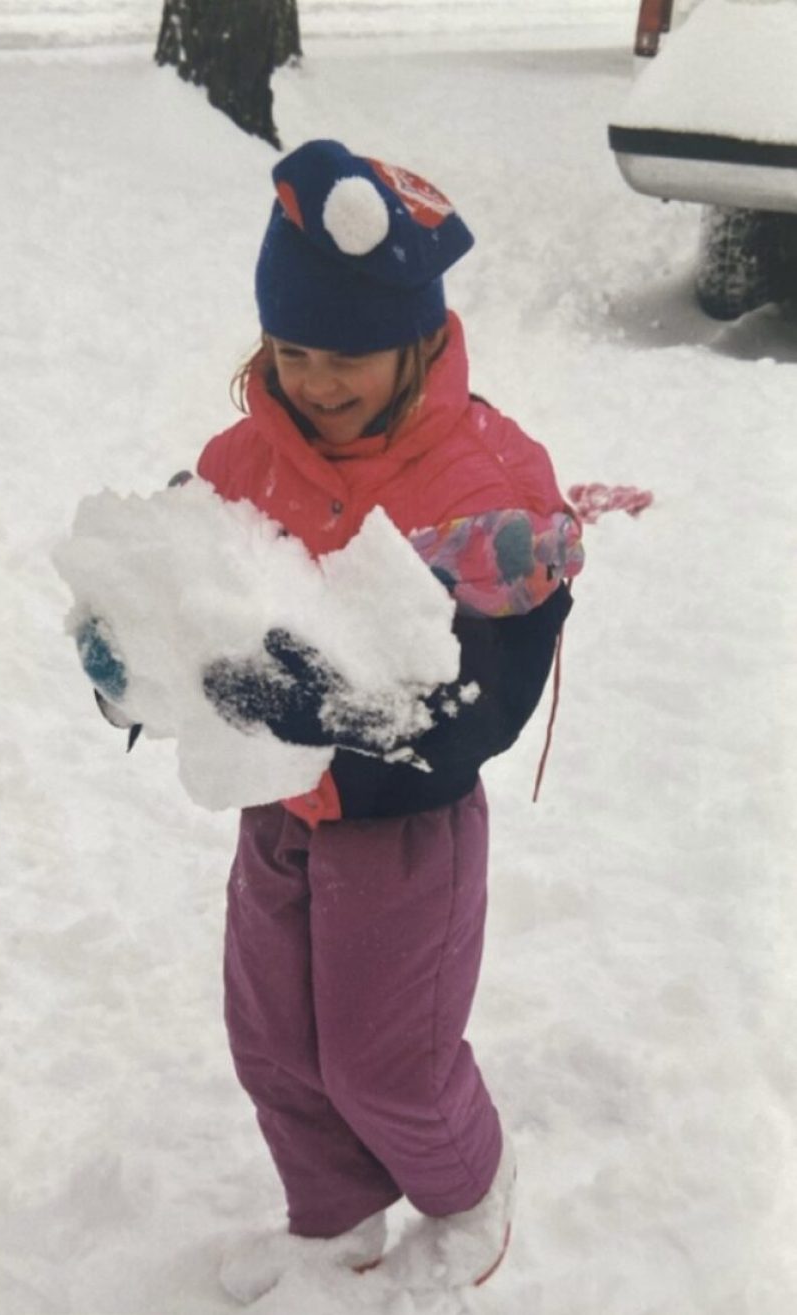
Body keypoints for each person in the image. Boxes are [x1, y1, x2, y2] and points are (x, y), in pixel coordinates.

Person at [79, 138, 583, 1301]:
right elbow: (179, 610)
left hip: (404, 828)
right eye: (292, 350)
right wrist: (125, 665)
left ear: (413, 335)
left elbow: (486, 701)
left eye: (348, 353)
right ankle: (337, 1217)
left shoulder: (485, 485)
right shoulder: (238, 462)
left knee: (382, 1057)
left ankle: (465, 1193)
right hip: (273, 814)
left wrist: (345, 716)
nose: (316, 379)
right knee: (275, 1047)